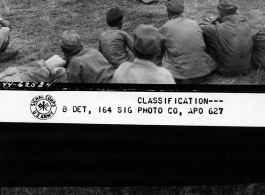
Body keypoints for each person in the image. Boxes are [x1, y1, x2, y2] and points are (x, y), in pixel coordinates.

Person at [158, 0, 217, 84]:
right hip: (201, 70)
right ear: (182, 10)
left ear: (168, 11)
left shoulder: (165, 28)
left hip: (179, 74)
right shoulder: (194, 23)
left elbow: (159, 51)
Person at [200, 0, 253, 76]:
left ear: (220, 12)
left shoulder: (217, 29)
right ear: (235, 12)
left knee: (206, 37)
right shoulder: (246, 25)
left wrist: (209, 20)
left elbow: (200, 27)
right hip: (247, 68)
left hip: (226, 70)